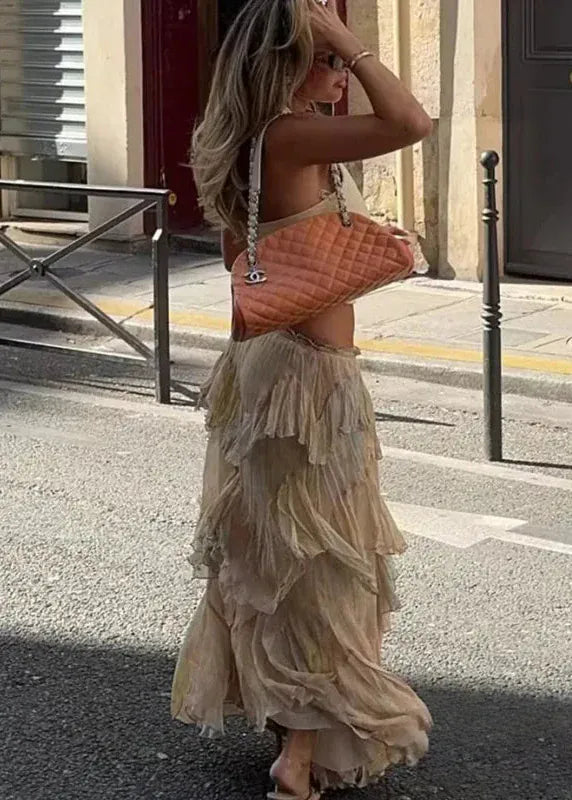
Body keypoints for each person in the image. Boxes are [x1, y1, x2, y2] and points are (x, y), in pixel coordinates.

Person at [171, 1, 433, 798]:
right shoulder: (288, 136)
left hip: (259, 364)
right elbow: (411, 121)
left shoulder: (240, 144)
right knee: (318, 562)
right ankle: (301, 758)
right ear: (288, 64)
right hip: (308, 379)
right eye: (325, 61)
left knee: (273, 552)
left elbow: (242, 261)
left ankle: (293, 723)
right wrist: (353, 45)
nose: (340, 74)